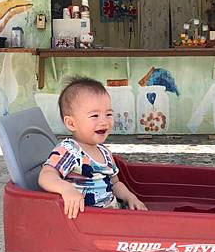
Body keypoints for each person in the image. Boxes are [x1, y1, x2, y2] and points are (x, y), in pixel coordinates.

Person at [38, 77, 147, 218]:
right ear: (72, 123)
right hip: (87, 220)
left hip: (111, 215)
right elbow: (46, 176)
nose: (104, 121)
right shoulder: (69, 150)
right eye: (95, 115)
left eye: (108, 114)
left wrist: (130, 197)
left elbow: (115, 183)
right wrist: (66, 190)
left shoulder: (104, 152)